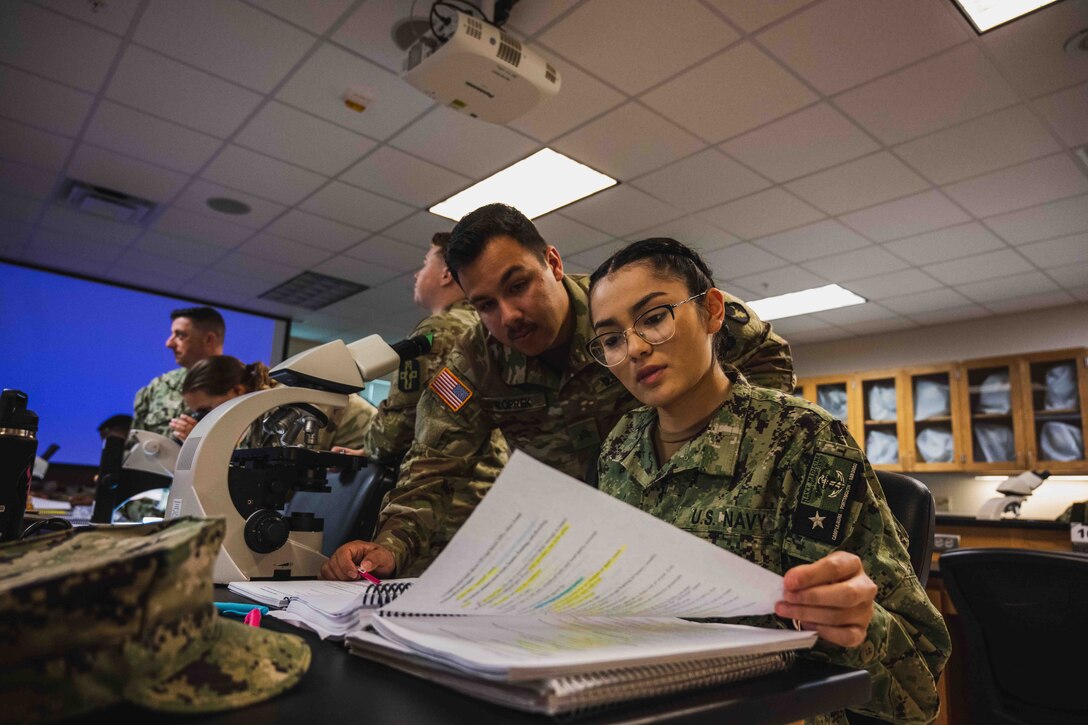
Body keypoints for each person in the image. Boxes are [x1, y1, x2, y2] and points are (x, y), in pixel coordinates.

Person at [321, 203, 794, 581]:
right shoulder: (474, 362)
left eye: (519, 285)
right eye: (486, 304)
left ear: (551, 261)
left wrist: (742, 460)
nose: (509, 316)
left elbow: (767, 352)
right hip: (580, 536)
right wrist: (389, 546)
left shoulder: (625, 310)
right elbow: (432, 465)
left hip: (684, 516)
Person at [585, 238, 950, 724]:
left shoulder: (806, 441)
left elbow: (919, 683)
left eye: (654, 317)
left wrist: (858, 626)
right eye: (611, 338)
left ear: (712, 311)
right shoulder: (618, 447)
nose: (634, 348)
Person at [357, 232, 508, 576]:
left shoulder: (436, 331)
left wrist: (368, 449)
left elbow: (395, 431)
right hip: (488, 493)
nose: (416, 274)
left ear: (445, 275)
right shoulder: (488, 327)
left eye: (425, 263)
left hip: (443, 502)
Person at [173, 355, 376, 452]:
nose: (205, 418)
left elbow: (281, 474)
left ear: (237, 390)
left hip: (373, 471)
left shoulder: (279, 402)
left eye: (206, 410)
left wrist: (206, 445)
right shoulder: (259, 404)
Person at [132, 306, 225, 438]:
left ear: (209, 339)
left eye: (180, 335)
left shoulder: (243, 385)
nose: (169, 343)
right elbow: (134, 446)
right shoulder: (159, 386)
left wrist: (201, 440)